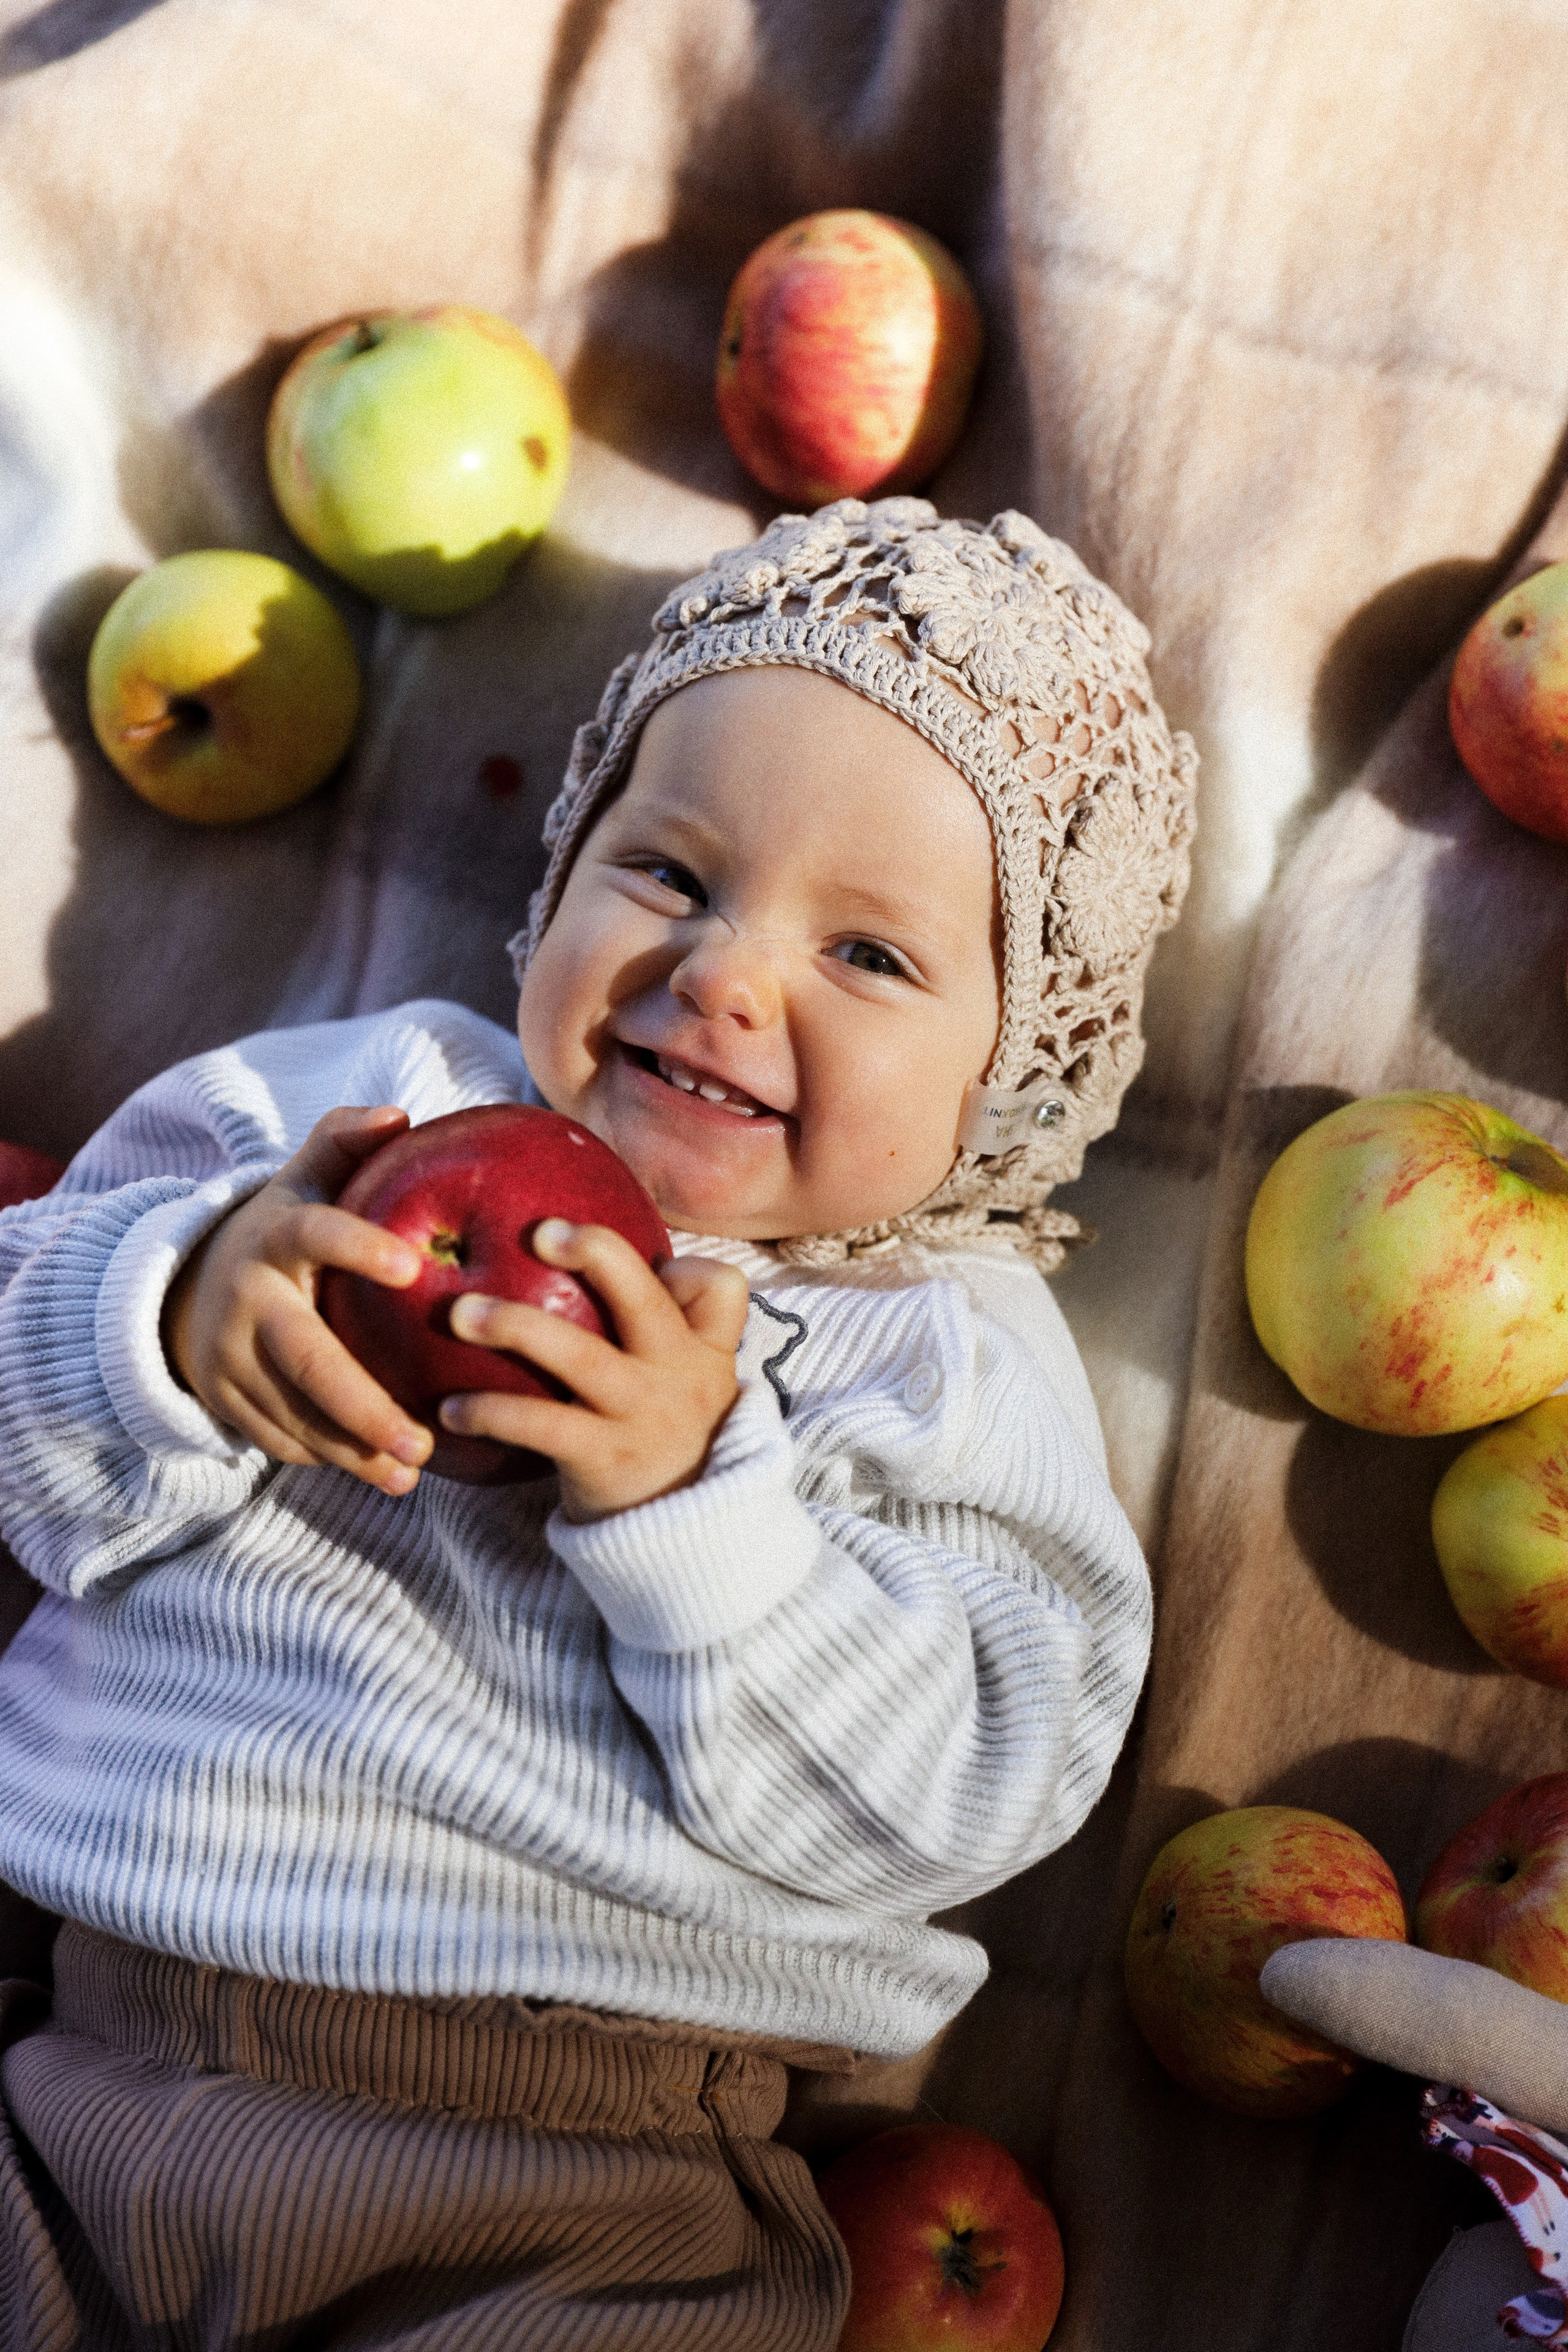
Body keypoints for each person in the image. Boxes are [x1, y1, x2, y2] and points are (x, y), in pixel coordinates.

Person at [0, 497, 1195, 2349]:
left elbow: (975, 1784)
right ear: (562, 868)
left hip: (575, 2174)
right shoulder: (363, 1117)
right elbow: (21, 1384)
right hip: (72, 2052)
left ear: (1010, 1073)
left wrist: (695, 1502)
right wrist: (166, 1309)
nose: (724, 974)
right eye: (671, 873)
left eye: (869, 957)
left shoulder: (937, 1354)